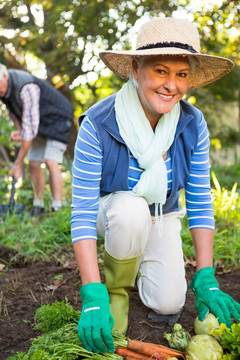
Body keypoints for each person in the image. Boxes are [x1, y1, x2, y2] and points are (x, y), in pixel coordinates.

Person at [71, 17, 240, 354]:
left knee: (168, 303)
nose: (171, 86)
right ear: (136, 69)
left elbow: (199, 200)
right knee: (130, 208)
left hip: (162, 215)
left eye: (181, 74)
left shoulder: (192, 124)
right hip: (115, 215)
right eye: (161, 71)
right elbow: (83, 211)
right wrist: (92, 290)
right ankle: (117, 288)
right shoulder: (98, 123)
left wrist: (205, 274)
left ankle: (138, 266)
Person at [0, 65, 74, 216]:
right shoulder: (4, 91)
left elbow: (30, 132)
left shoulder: (26, 87)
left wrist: (18, 163)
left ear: (5, 77)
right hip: (39, 122)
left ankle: (57, 208)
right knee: (33, 163)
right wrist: (20, 131)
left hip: (58, 118)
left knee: (50, 160)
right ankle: (38, 207)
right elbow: (15, 114)